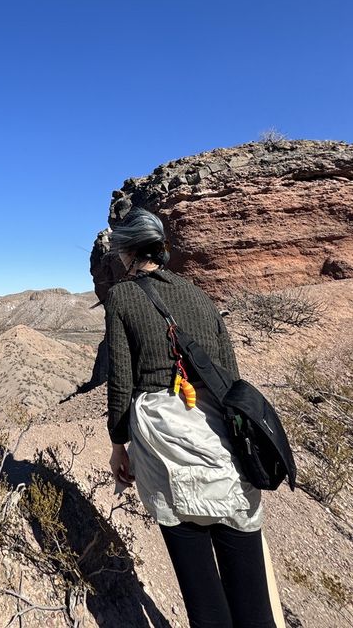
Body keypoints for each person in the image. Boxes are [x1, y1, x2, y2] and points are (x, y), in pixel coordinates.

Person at [105, 207, 276, 628]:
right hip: (219, 440)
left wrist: (117, 445)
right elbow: (230, 375)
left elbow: (121, 382)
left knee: (203, 600)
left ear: (125, 249)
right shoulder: (199, 295)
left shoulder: (123, 296)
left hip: (165, 447)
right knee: (253, 601)